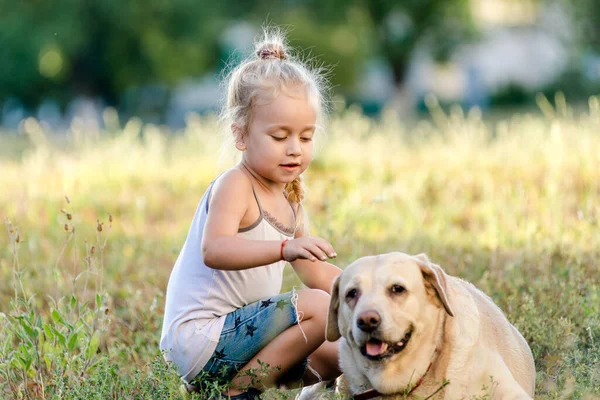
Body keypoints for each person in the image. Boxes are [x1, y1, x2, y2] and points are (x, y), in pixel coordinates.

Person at [160, 28, 342, 399]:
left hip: (244, 339)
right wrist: (282, 250)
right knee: (319, 308)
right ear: (241, 136)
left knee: (344, 353)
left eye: (305, 137)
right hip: (202, 340)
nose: (294, 149)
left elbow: (316, 271)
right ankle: (237, 391)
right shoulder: (236, 185)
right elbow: (215, 250)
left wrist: (368, 289)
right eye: (280, 137)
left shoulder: (291, 199)